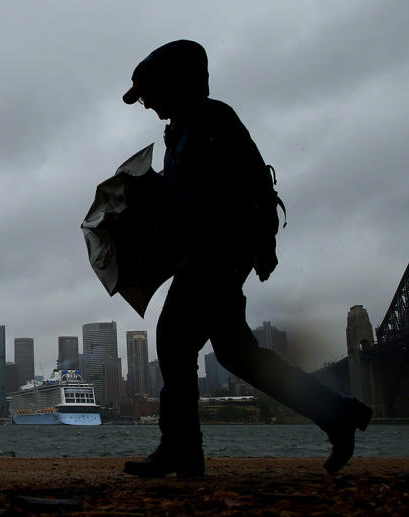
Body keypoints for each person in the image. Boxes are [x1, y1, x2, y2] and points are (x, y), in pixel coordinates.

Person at [120, 40, 372, 478]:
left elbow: (256, 183)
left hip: (215, 257)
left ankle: (182, 449)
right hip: (199, 257)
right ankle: (338, 413)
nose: (146, 105)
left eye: (148, 94)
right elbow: (186, 196)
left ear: (174, 83)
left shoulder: (214, 120)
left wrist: (263, 244)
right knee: (240, 357)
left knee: (174, 343)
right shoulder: (177, 131)